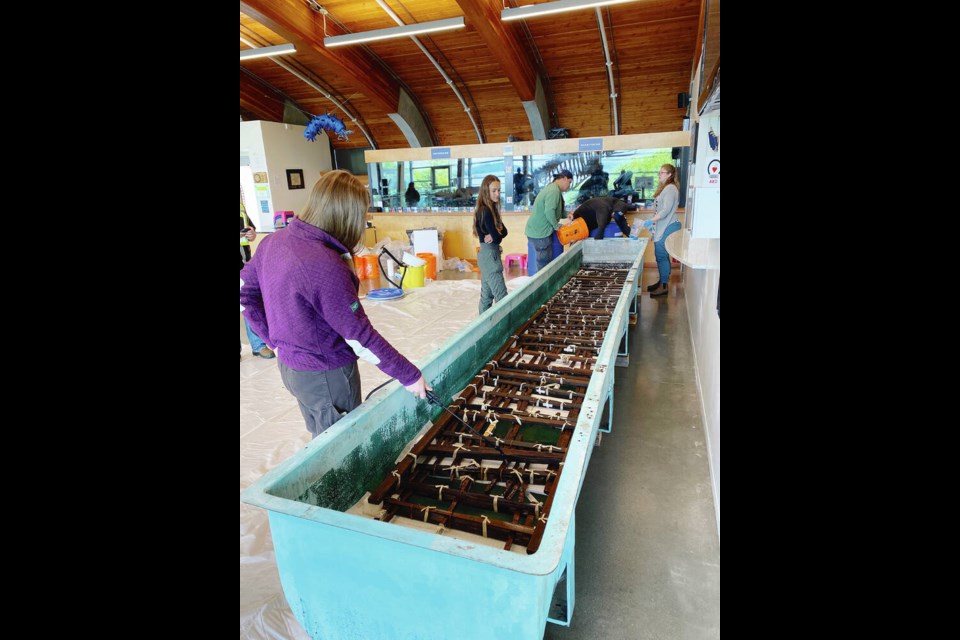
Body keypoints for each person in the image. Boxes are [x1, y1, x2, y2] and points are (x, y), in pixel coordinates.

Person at [240, 170, 431, 438]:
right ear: (347, 217)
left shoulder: (273, 240)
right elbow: (360, 337)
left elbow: (243, 292)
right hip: (325, 375)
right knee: (341, 445)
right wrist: (409, 375)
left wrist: (273, 340)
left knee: (321, 435)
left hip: (293, 369)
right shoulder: (324, 265)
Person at [240, 199, 275, 360]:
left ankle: (258, 345)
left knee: (249, 301)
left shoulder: (241, 207)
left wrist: (251, 234)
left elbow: (250, 231)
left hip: (244, 262)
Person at [472, 175, 509, 314]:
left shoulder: (492, 209)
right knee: (502, 297)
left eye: (499, 190)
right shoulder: (485, 211)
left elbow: (504, 232)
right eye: (494, 191)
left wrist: (495, 234)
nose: (497, 194)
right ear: (486, 191)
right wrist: (496, 234)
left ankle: (483, 326)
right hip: (489, 256)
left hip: (490, 254)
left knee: (487, 296)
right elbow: (498, 237)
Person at [525, 169, 573, 273]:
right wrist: (556, 226)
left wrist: (568, 214)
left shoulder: (553, 189)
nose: (569, 186)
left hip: (537, 231)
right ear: (564, 178)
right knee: (544, 265)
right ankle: (542, 288)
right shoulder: (553, 191)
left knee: (545, 262)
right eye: (569, 182)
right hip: (540, 234)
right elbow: (549, 212)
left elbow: (557, 211)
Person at [648, 164, 682, 297]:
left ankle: (664, 286)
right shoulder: (665, 188)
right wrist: (653, 225)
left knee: (661, 256)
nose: (659, 175)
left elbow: (666, 210)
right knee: (660, 255)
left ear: (670, 174)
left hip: (668, 225)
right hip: (663, 225)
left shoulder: (670, 188)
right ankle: (661, 281)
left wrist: (651, 221)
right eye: (659, 172)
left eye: (662, 172)